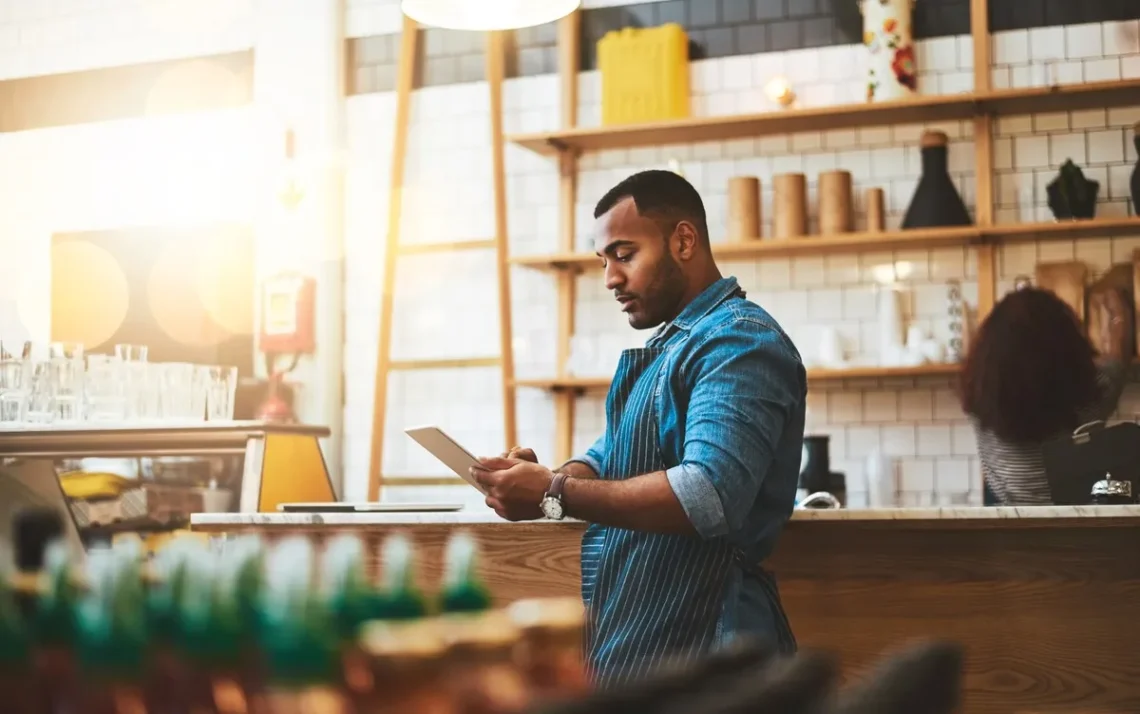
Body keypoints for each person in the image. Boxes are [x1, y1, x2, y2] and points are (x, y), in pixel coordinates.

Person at [470, 169, 807, 688]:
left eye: (625, 255)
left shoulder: (738, 342)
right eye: (604, 261)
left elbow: (709, 494)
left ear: (684, 240)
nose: (609, 278)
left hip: (714, 644)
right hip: (647, 641)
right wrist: (544, 479)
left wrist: (555, 491)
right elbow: (607, 460)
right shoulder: (675, 345)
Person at [960, 285, 1130, 505]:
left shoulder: (980, 403)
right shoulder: (1093, 398)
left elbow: (978, 366)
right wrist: (1118, 307)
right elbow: (1118, 354)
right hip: (1076, 530)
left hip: (1007, 531)